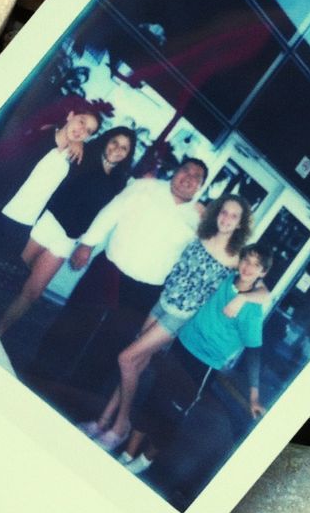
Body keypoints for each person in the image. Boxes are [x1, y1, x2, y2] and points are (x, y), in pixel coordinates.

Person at [25, 158, 208, 400]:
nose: (189, 178)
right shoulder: (145, 187)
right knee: (76, 318)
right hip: (110, 268)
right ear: (176, 172)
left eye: (197, 177)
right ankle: (41, 371)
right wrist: (87, 244)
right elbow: (111, 211)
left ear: (200, 186)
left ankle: (80, 391)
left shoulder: (200, 219)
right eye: (186, 170)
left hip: (147, 288)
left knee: (114, 339)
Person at [82, 195, 254, 451]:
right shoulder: (203, 233)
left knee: (126, 359)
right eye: (224, 212)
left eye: (234, 216)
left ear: (241, 224)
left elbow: (260, 288)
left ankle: (120, 426)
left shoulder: (237, 258)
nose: (226, 219)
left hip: (181, 317)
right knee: (137, 363)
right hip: (163, 301)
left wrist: (243, 300)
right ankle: (103, 420)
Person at [0, 103, 101, 323]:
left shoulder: (72, 161)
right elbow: (0, 176)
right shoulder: (38, 138)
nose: (82, 130)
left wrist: (78, 143)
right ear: (70, 115)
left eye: (88, 131)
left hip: (22, 228)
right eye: (81, 121)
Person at [118, 245, 271, 478]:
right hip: (182, 345)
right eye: (246, 260)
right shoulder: (227, 278)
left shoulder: (253, 310)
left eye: (256, 265)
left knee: (171, 414)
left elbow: (254, 351)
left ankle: (145, 460)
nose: (248, 267)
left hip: (204, 364)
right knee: (153, 399)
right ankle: (127, 455)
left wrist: (253, 395)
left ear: (263, 273)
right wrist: (245, 294)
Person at [0, 126, 137, 340]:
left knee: (33, 292)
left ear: (128, 155)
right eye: (115, 142)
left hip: (69, 239)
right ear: (107, 140)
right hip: (49, 222)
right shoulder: (86, 154)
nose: (117, 149)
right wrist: (77, 143)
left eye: (124, 148)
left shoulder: (120, 181)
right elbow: (60, 136)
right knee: (11, 272)